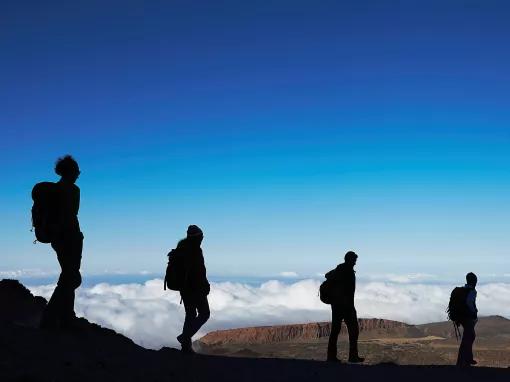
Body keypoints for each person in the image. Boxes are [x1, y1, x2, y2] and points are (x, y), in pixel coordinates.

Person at [40, 155, 84, 329]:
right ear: (71, 172)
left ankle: (65, 316)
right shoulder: (73, 190)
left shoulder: (53, 190)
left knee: (69, 275)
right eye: (77, 171)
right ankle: (52, 317)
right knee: (71, 276)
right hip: (70, 237)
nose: (78, 175)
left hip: (57, 239)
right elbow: (72, 214)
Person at [176, 225, 211, 353]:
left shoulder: (182, 248)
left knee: (190, 315)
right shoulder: (195, 250)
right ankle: (185, 338)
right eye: (201, 236)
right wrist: (205, 286)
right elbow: (200, 272)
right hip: (195, 288)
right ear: (197, 237)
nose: (202, 239)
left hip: (184, 289)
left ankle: (186, 347)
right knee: (204, 314)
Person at [326, 251, 364, 363]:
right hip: (345, 306)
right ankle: (352, 357)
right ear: (349, 259)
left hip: (337, 306)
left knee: (335, 331)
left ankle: (331, 357)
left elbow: (327, 275)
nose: (355, 263)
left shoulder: (339, 269)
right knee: (353, 331)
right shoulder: (345, 270)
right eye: (354, 260)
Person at [456, 272, 478, 367]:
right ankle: (463, 361)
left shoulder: (464, 290)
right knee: (468, 338)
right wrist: (474, 312)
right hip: (468, 317)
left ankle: (466, 359)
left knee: (469, 336)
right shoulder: (472, 291)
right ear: (473, 281)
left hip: (463, 318)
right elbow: (469, 302)